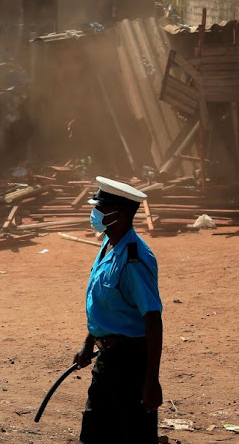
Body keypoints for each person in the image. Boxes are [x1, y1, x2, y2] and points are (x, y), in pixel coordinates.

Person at [74, 176, 163, 444]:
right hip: (107, 359)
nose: (94, 214)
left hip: (131, 364)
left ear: (119, 215)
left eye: (100, 210)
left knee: (133, 436)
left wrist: (151, 382)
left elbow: (153, 320)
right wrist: (89, 343)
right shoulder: (108, 244)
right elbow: (104, 304)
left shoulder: (134, 259)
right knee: (94, 435)